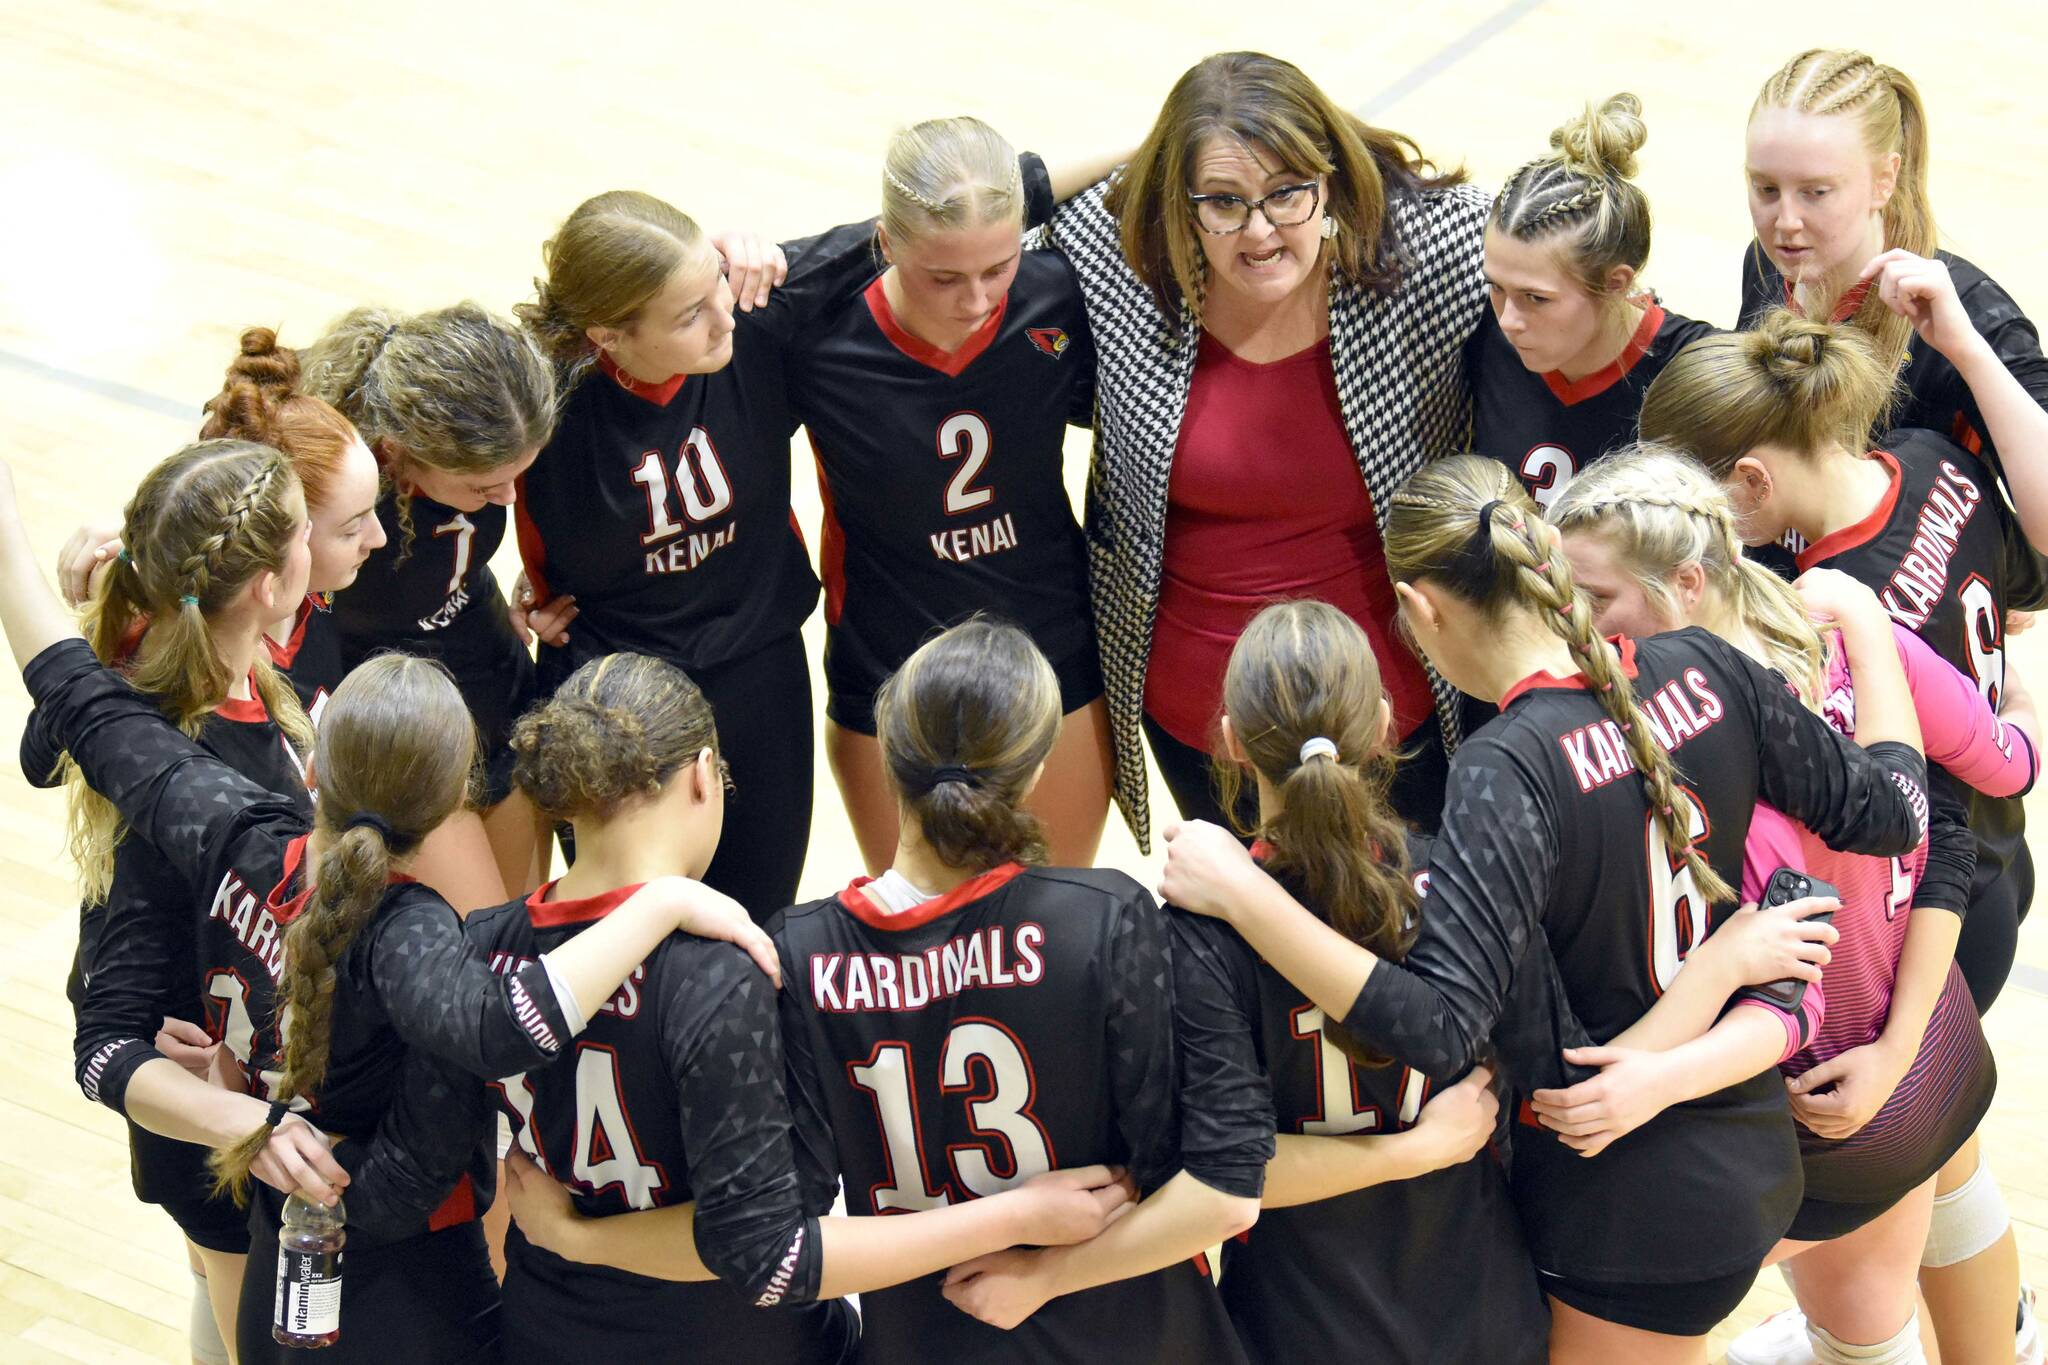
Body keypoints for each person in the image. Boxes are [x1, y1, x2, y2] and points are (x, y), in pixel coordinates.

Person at [0, 449, 775, 1362]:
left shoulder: (233, 828)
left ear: (316, 769)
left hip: (284, 1233)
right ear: (452, 809)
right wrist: (662, 902)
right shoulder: (415, 936)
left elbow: (77, 699)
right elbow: (495, 1027)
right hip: (393, 1282)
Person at [1156, 456, 1930, 1361]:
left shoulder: (1505, 765)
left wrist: (1247, 895)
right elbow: (1891, 816)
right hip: (1749, 1157)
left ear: (1419, 610)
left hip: (1617, 1203)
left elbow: (1444, 1024)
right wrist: (1874, 639)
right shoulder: (1706, 664)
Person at [456, 650, 1134, 1363]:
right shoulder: (722, 970)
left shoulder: (480, 944)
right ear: (702, 775)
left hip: (546, 1328)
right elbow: (761, 1246)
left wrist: (567, 1235)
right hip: (733, 1339)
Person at [1551, 446, 2035, 1365]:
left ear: (1687, 582)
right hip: (1926, 1056)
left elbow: (1780, 986)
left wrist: (1643, 1075)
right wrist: (1900, 1047)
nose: (1575, 620)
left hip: (1824, 1105)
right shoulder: (1847, 628)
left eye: (1597, 595)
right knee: (1873, 1316)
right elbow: (1962, 824)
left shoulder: (1700, 750)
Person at [768, 619, 1258, 1362]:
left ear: (889, 750)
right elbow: (1189, 1179)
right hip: (1127, 1330)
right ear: (1032, 773)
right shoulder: (1105, 916)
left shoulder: (799, 950)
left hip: (926, 1338)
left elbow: (789, 1239)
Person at [1041, 49, 1491, 842]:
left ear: (1330, 178)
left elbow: (1584, 260)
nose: (1259, 231)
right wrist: (1148, 148)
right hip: (1201, 729)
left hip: (1393, 721)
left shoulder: (1423, 248)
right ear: (1180, 203)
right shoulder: (1123, 261)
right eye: (1223, 201)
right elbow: (973, 204)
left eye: (1287, 192)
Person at [1166, 600, 1549, 1364]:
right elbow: (1537, 1069)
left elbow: (1217, 1174)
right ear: (1381, 724)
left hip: (1301, 1323)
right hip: (1480, 1303)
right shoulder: (1458, 875)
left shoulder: (1197, 931)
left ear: (1233, 742)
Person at [32, 438, 314, 1365]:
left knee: (213, 1285)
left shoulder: (196, 662)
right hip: (198, 1096)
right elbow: (102, 1043)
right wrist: (242, 1119)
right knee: (237, 1311)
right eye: (318, 530)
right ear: (268, 586)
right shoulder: (185, 784)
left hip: (227, 1068)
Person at [782, 115, 1111, 872]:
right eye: (944, 277)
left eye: (998, 268)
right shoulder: (820, 343)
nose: (976, 299)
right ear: (885, 242)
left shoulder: (1055, 299)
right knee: (917, 946)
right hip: (889, 673)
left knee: (1052, 923)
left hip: (1052, 653)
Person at [513, 194, 821, 915]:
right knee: (627, 939)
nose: (725, 317)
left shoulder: (751, 311)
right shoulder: (537, 397)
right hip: (614, 697)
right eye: (690, 313)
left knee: (760, 925)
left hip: (759, 672)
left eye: (716, 282)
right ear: (608, 335)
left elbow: (924, 225)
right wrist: (499, 601)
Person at [300, 303, 557, 907]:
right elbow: (218, 514)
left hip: (503, 700)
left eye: (517, 476)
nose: (507, 496)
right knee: (479, 955)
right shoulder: (337, 492)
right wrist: (120, 545)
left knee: (523, 933)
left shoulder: (490, 432)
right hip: (411, 742)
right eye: (483, 487)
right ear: (398, 451)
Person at [1470, 93, 1715, 512]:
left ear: (1616, 283)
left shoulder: (1697, 373)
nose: (1509, 320)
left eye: (1536, 298)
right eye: (1497, 288)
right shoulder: (1479, 332)